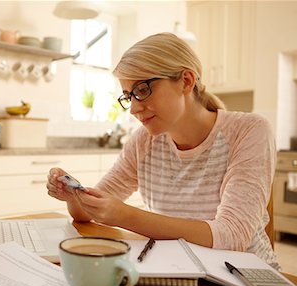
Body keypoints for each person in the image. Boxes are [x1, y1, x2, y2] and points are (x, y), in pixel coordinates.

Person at [46, 32, 279, 269]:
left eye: (143, 89)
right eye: (128, 96)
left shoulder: (249, 131)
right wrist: (74, 195)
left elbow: (232, 236)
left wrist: (124, 216)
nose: (134, 108)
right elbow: (89, 213)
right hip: (177, 271)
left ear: (186, 81)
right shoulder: (143, 142)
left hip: (247, 279)